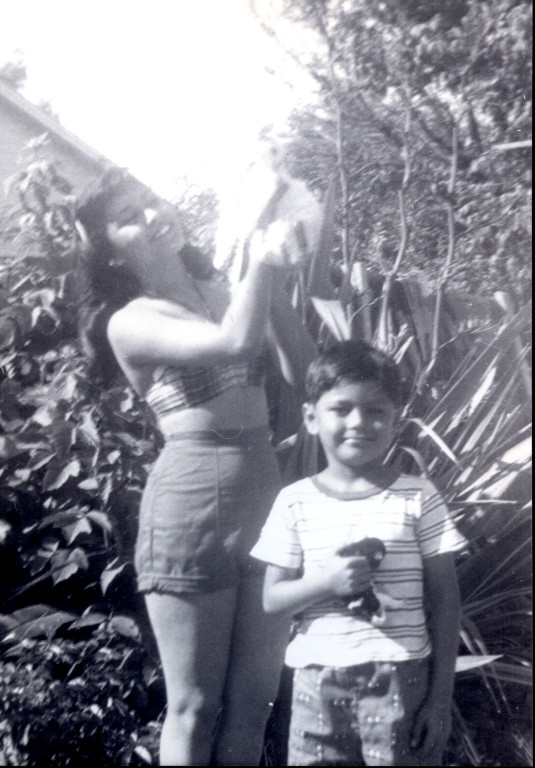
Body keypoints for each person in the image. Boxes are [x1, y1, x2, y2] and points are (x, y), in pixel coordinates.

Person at [75, 168, 316, 766]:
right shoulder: (130, 321)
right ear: (112, 254)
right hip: (191, 510)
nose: (152, 215)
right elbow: (234, 343)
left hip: (265, 502)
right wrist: (258, 261)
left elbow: (307, 373)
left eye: (151, 199)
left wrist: (271, 275)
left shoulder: (230, 292)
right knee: (195, 707)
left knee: (253, 705)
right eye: (129, 217)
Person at [250, 340, 466, 766]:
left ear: (395, 420)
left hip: (401, 678)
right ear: (311, 418)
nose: (359, 423)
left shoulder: (418, 496)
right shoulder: (294, 502)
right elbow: (272, 600)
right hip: (317, 682)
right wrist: (326, 582)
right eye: (341, 408)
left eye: (375, 410)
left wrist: (440, 700)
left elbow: (446, 601)